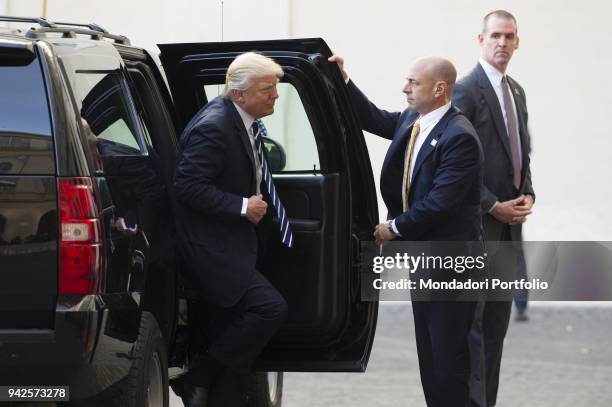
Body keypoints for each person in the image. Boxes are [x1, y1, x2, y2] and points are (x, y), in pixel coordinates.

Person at [330, 54, 484, 407]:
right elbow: (370, 117)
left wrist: (393, 228)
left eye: (413, 82)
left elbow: (440, 203)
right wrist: (343, 80)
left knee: (448, 360)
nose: (405, 87)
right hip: (424, 258)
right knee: (430, 357)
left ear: (440, 89)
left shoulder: (459, 137)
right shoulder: (414, 120)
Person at [173, 52, 290, 407]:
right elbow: (187, 186)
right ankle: (198, 376)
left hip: (237, 245)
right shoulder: (215, 127)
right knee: (269, 308)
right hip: (213, 250)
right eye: (267, 88)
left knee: (233, 351)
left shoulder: (242, 120)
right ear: (239, 94)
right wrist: (241, 206)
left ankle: (211, 387)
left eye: (275, 87)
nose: (275, 95)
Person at [452, 10, 536, 407]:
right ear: (480, 40)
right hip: (479, 230)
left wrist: (528, 192)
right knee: (476, 329)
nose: (502, 43)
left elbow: (522, 152)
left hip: (508, 231)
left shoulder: (515, 90)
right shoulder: (465, 90)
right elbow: (456, 162)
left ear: (518, 42)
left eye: (510, 36)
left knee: (496, 330)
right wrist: (492, 205)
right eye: (495, 36)